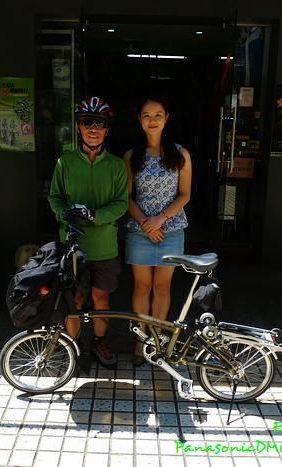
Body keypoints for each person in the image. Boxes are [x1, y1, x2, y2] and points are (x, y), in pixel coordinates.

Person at [48, 96, 128, 369]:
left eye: (99, 124)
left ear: (107, 129)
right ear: (78, 126)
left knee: (101, 298)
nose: (93, 129)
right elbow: (55, 197)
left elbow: (121, 204)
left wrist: (94, 215)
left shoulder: (116, 165)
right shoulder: (65, 162)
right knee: (74, 299)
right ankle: (73, 348)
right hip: (73, 244)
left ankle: (98, 342)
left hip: (104, 246)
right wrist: (65, 214)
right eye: (87, 122)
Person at [123, 95, 192, 366]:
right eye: (147, 115)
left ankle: (156, 341)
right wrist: (145, 222)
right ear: (139, 120)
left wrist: (160, 219)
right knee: (142, 286)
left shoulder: (181, 154)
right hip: (140, 229)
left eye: (158, 115)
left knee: (163, 287)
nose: (152, 120)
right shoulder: (131, 156)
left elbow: (185, 194)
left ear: (166, 119)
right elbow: (126, 197)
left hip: (171, 229)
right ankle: (140, 342)